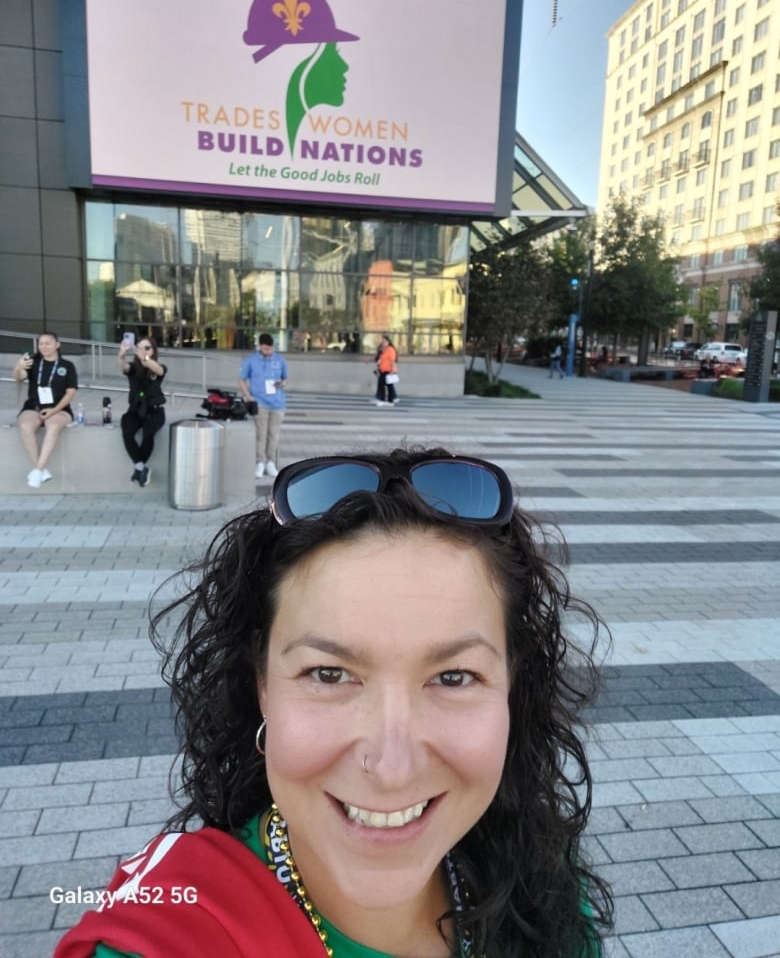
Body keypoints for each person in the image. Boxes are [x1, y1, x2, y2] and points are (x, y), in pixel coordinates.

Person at [53, 448, 612, 958]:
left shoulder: (545, 885)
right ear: (262, 683)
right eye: (328, 673)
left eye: (454, 677)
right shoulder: (170, 936)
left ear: (511, 685)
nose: (393, 769)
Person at [13, 332, 78, 489]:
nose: (43, 346)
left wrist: (54, 410)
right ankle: (40, 470)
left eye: (48, 343)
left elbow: (71, 392)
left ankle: (37, 470)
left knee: (53, 424)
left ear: (57, 344)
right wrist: (18, 367)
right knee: (25, 426)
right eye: (41, 343)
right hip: (33, 407)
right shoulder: (33, 362)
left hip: (59, 409)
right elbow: (19, 377)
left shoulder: (67, 366)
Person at [118, 337, 167, 488]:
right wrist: (121, 354)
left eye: (147, 348)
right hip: (135, 409)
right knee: (127, 431)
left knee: (148, 432)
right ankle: (141, 468)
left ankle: (139, 470)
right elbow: (124, 367)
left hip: (154, 410)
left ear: (153, 351)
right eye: (140, 347)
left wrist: (145, 357)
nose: (144, 350)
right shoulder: (133, 367)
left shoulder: (159, 366)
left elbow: (158, 370)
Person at [238, 334, 288, 479]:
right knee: (261, 434)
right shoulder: (251, 361)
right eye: (266, 348)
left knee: (273, 435)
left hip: (277, 403)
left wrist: (281, 383)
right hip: (259, 402)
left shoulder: (280, 360)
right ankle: (260, 462)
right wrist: (248, 396)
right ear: (260, 346)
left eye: (270, 348)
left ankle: (271, 462)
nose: (268, 351)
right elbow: (242, 380)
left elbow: (285, 379)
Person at [374, 334, 398, 406]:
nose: (383, 343)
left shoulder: (390, 350)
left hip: (388, 370)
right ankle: (390, 401)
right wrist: (377, 368)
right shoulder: (384, 350)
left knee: (383, 385)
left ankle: (382, 400)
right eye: (382, 341)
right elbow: (381, 360)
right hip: (383, 370)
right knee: (389, 386)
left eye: (384, 341)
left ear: (388, 342)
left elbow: (392, 361)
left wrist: (392, 370)